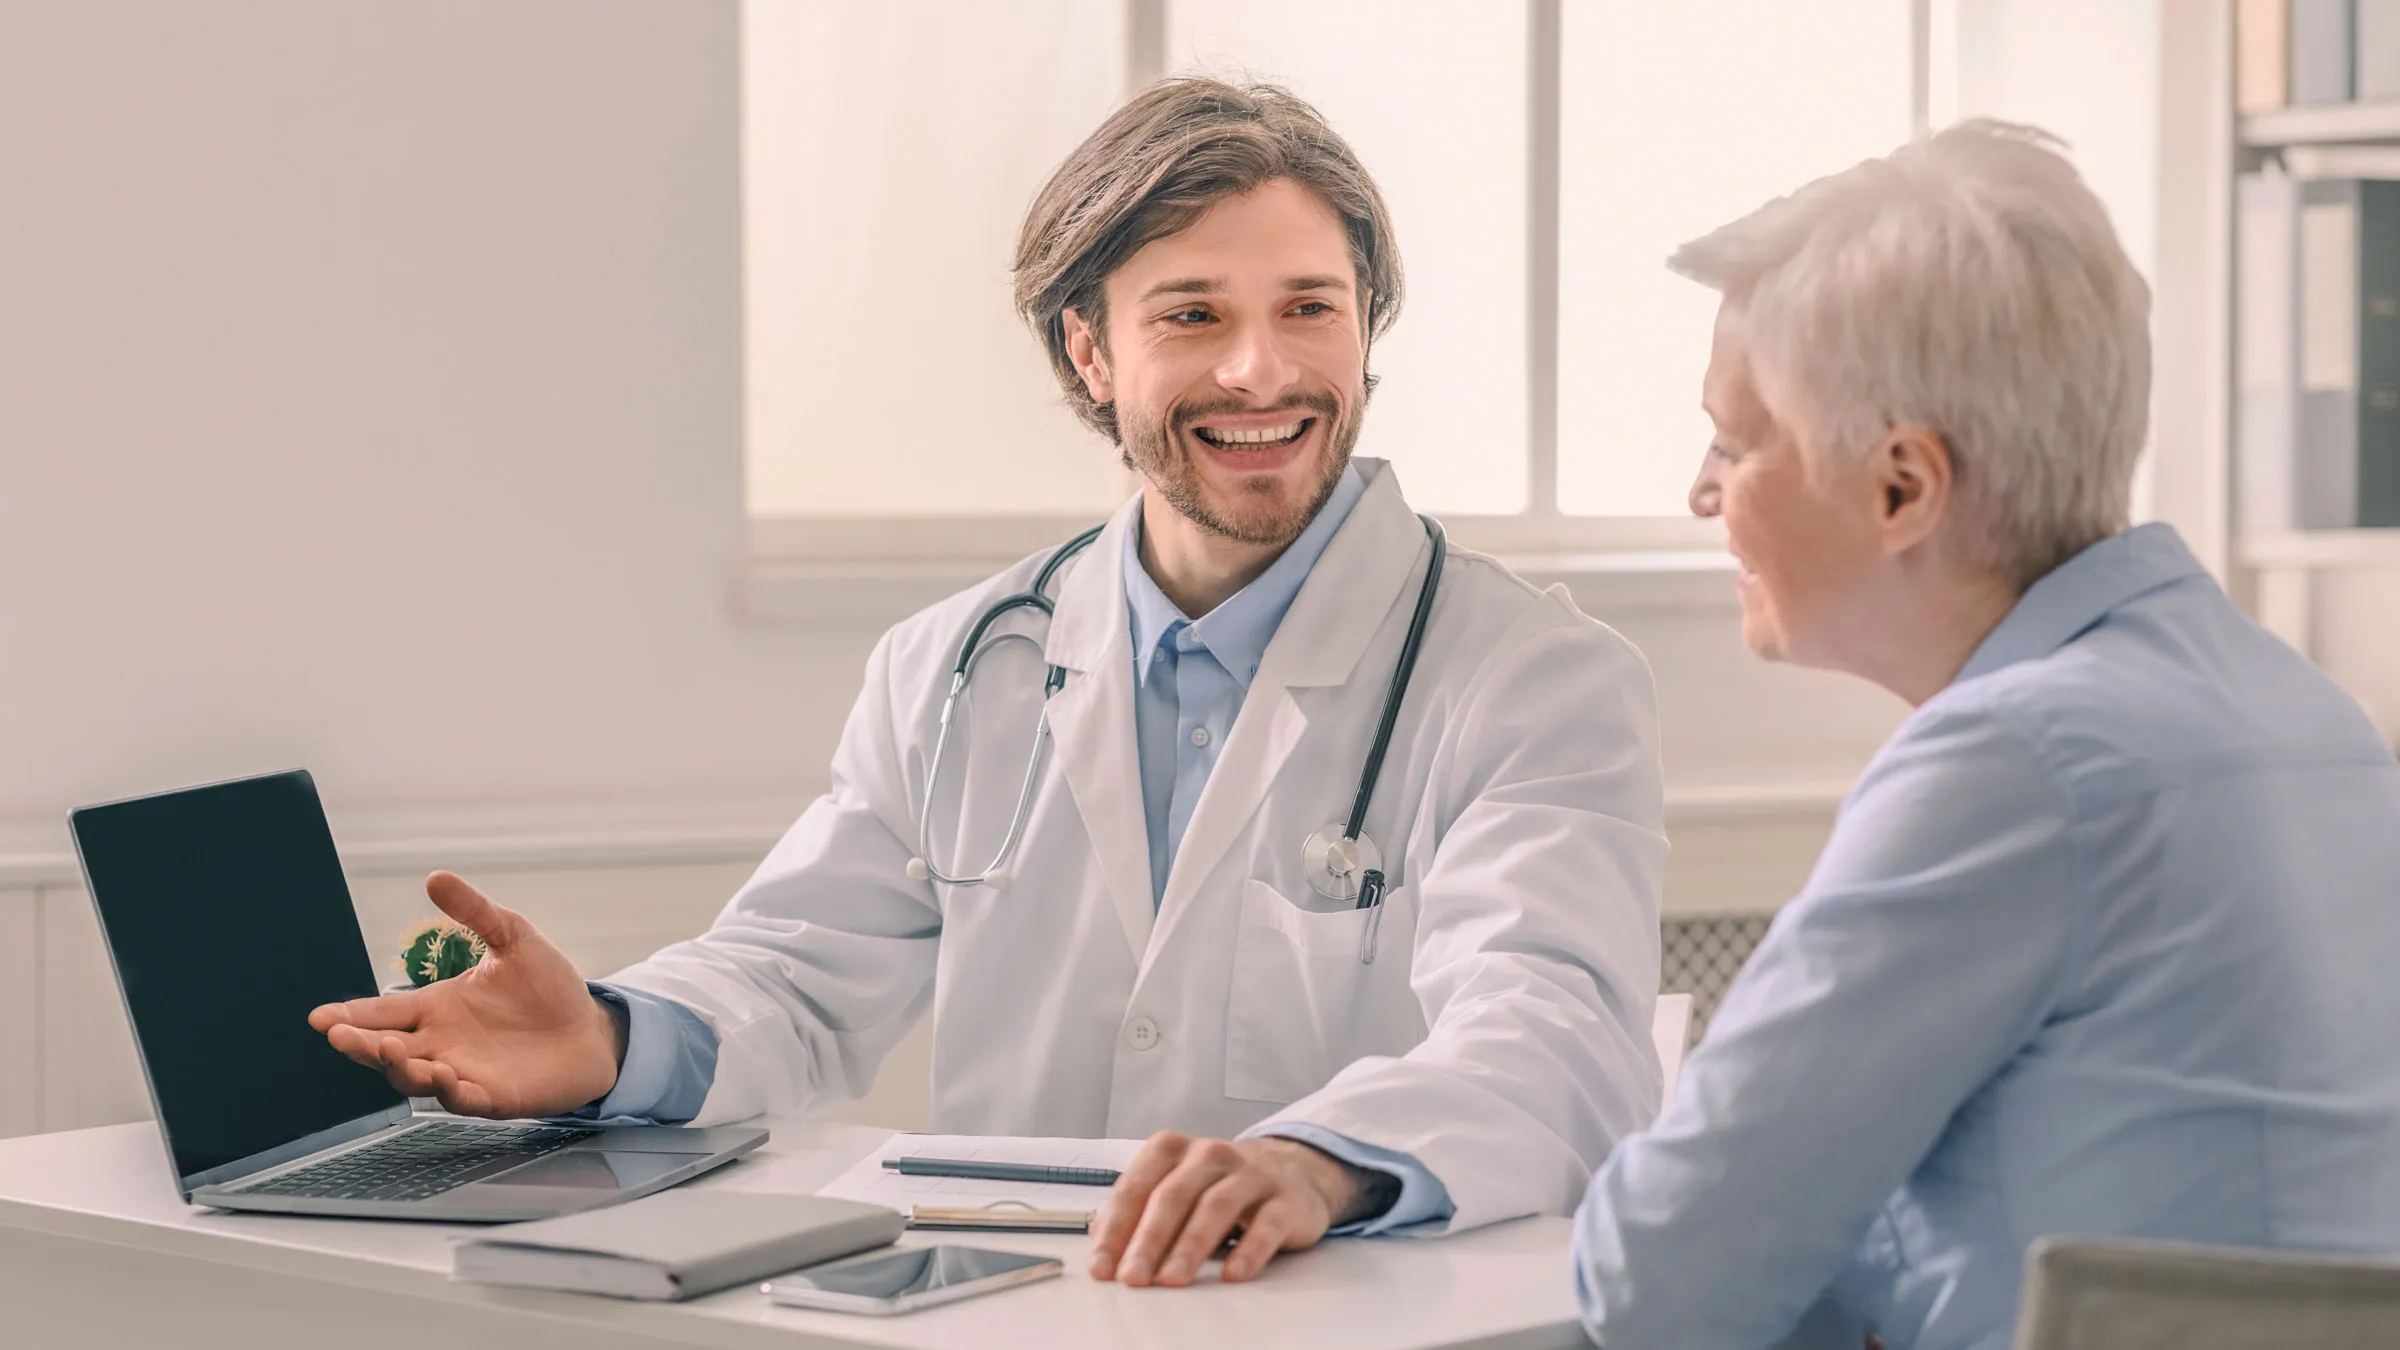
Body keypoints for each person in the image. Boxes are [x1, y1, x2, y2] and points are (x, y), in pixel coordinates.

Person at [313, 78, 1669, 1288]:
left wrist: (1319, 1160)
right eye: (1192, 314)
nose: (1262, 369)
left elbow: (1553, 1035)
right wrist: (610, 1038)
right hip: (1014, 1306)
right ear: (1091, 352)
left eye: (1309, 308)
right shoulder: (958, 665)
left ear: (1365, 327)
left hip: (1346, 1313)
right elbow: (797, 975)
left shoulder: (1535, 680)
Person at [1569, 120, 2400, 1350]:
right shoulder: (2305, 709)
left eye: (1735, 444)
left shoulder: (2013, 766)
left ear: (1902, 486)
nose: (1702, 492)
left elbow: (1659, 1283)